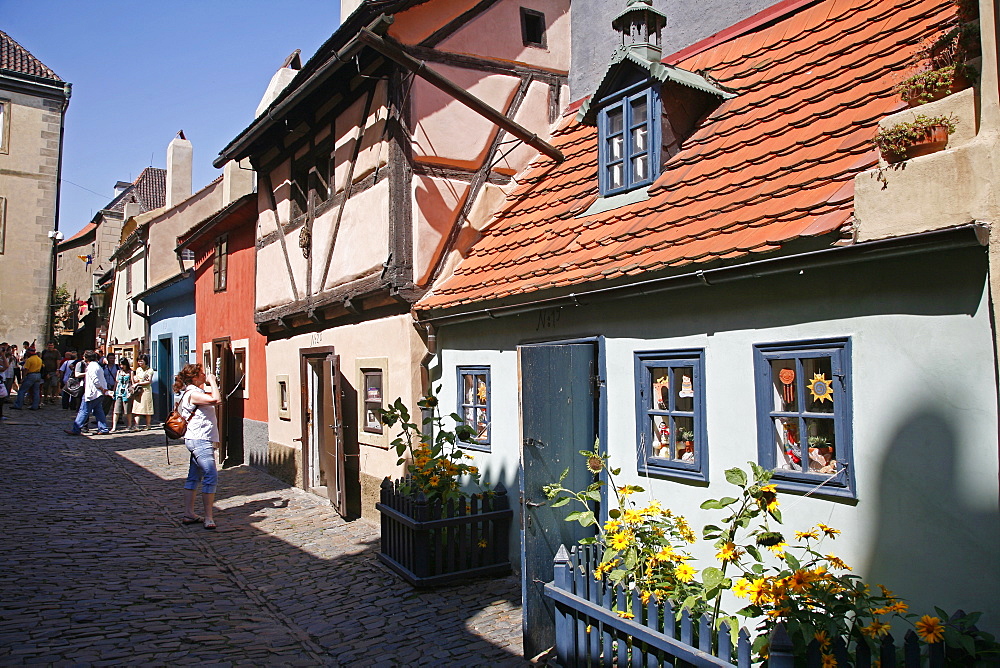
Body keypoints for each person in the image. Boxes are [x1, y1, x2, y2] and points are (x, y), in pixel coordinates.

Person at [174, 364, 222, 530]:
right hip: (200, 439)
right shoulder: (193, 393)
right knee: (211, 474)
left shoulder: (194, 392)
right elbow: (217, 399)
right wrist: (213, 382)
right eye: (202, 373)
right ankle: (209, 517)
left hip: (197, 438)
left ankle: (189, 513)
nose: (204, 375)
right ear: (195, 378)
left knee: (194, 476)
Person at [64, 350, 111, 436]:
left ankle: (76, 428)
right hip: (98, 393)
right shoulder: (97, 366)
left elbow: (95, 380)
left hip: (92, 393)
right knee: (98, 411)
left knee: (83, 411)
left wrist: (101, 388)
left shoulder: (92, 367)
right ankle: (103, 428)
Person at [131, 355, 154, 430]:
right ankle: (136, 425)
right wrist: (134, 378)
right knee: (137, 408)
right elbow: (136, 379)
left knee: (147, 408)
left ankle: (148, 425)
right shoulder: (138, 369)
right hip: (138, 391)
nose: (140, 362)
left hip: (146, 390)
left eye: (141, 361)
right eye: (139, 361)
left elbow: (149, 381)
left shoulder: (149, 370)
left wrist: (138, 383)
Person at [110, 358, 133, 432]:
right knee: (116, 410)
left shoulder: (130, 372)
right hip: (118, 392)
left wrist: (131, 391)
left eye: (123, 365)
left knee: (127, 411)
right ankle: (114, 426)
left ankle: (129, 425)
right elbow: (116, 382)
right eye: (120, 365)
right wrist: (113, 391)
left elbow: (132, 383)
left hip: (126, 392)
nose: (122, 366)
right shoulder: (118, 372)